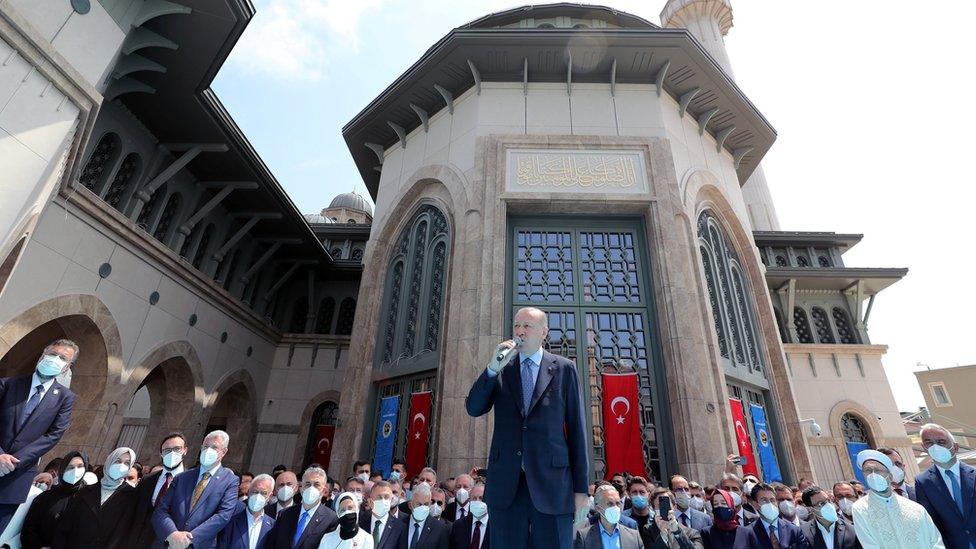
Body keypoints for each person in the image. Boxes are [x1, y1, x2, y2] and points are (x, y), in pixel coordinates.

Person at [466, 307, 589, 548]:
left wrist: (581, 490)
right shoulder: (502, 368)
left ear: (544, 332)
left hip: (553, 485)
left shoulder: (564, 369)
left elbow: (577, 430)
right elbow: (473, 408)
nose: (520, 332)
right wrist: (491, 369)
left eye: (527, 326)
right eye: (517, 326)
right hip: (507, 487)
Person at [0, 339, 78, 533]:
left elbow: (54, 434)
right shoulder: (8, 384)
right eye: (52, 354)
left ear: (67, 366)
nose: (55, 360)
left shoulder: (65, 398)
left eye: (62, 358)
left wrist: (15, 461)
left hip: (16, 477)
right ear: (42, 356)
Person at [151, 430, 240, 549]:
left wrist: (189, 539)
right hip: (168, 543)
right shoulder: (182, 477)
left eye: (214, 447)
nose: (208, 450)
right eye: (206, 446)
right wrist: (173, 534)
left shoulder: (230, 481)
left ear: (223, 452)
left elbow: (223, 515)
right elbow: (161, 510)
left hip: (198, 545)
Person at [850, 449, 943, 549]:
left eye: (878, 470)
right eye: (868, 470)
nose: (873, 475)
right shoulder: (860, 509)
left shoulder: (915, 508)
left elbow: (935, 541)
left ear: (890, 476)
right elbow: (869, 545)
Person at [52, 446, 139, 548]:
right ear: (109, 461)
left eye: (127, 463)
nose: (121, 466)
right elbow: (65, 526)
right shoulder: (85, 491)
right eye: (118, 461)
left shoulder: (132, 496)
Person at [914, 423, 974, 549]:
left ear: (955, 447)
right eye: (929, 442)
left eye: (941, 441)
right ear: (924, 447)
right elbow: (932, 524)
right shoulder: (922, 482)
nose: (935, 447)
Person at [129, 432, 188, 548]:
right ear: (161, 453)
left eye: (177, 449)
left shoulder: (191, 482)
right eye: (167, 450)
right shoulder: (147, 480)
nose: (172, 453)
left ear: (185, 450)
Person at [22, 451, 90, 548]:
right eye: (70, 467)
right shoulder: (45, 497)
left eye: (80, 466)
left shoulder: (89, 501)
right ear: (62, 470)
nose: (75, 471)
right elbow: (29, 528)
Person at [265, 467, 338, 549]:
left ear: (324, 491)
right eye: (307, 484)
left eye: (316, 485)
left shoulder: (331, 519)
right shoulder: (285, 514)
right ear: (301, 488)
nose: (311, 488)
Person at [734, 483, 810, 549]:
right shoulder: (747, 533)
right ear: (755, 504)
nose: (770, 504)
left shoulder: (794, 531)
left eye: (772, 500)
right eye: (764, 500)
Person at [574, 483, 643, 548]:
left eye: (618, 503)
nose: (615, 507)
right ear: (598, 508)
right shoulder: (584, 537)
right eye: (610, 504)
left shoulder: (634, 536)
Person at [217, 473, 276, 549]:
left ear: (270, 496)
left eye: (263, 493)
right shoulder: (231, 522)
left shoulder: (273, 526)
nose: (258, 496)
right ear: (248, 492)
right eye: (255, 492)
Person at [399, 483, 450, 549]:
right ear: (410, 505)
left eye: (426, 504)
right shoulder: (399, 524)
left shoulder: (440, 528)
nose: (422, 507)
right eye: (419, 504)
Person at [361, 480, 405, 549]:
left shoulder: (399, 527)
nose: (383, 500)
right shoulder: (360, 521)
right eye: (379, 497)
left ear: (391, 500)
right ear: (370, 500)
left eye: (386, 497)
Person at [449, 483, 489, 549]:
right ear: (469, 500)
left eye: (481, 498)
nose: (477, 501)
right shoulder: (459, 525)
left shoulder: (496, 527)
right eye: (474, 498)